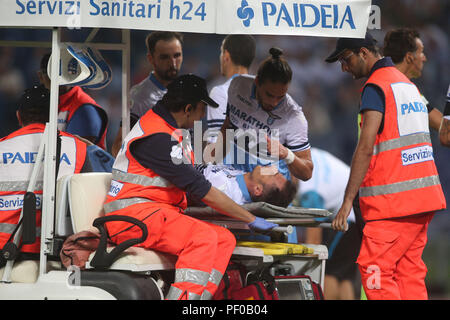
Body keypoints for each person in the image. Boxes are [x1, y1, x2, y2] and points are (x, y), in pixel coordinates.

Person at [103, 74, 278, 300]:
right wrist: (249, 218)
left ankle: (200, 300)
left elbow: (199, 174)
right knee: (202, 238)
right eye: (202, 110)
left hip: (155, 213)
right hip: (130, 216)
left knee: (224, 239)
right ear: (188, 108)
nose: (203, 116)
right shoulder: (156, 137)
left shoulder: (173, 131)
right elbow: (200, 188)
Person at [325, 33, 446, 300]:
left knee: (374, 269)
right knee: (409, 275)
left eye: (346, 59)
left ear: (364, 53)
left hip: (391, 205)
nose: (344, 67)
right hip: (422, 200)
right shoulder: (408, 86)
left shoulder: (376, 86)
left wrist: (347, 202)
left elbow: (366, 146)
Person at [0, 85, 91, 263]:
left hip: (5, 250)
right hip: (58, 252)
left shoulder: (2, 147)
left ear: (19, 116)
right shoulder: (77, 148)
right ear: (53, 116)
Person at [214, 47, 313, 182]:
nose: (274, 102)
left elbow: (307, 173)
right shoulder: (238, 85)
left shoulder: (294, 116)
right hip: (235, 171)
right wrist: (211, 164)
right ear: (257, 82)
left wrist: (287, 154)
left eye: (280, 97)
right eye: (269, 95)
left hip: (268, 181)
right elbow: (227, 128)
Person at [295, 147, 359, 300]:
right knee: (344, 275)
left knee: (327, 272)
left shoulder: (308, 190)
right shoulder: (306, 154)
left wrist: (303, 268)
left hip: (346, 217)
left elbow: (314, 242)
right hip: (359, 212)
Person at [111, 31, 183, 156]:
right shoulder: (139, 97)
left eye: (177, 55)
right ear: (151, 59)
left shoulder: (186, 89)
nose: (173, 63)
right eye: (164, 57)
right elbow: (119, 146)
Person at [38, 54, 109, 150]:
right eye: (52, 74)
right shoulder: (43, 102)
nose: (58, 80)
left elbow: (77, 154)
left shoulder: (84, 109)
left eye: (61, 73)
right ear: (40, 77)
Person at [383, 28, 445, 134]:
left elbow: (440, 123)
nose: (424, 58)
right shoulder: (386, 87)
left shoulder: (410, 89)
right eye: (421, 52)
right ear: (409, 57)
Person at [206, 34, 256, 144]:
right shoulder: (266, 90)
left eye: (221, 51)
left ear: (226, 56)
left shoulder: (220, 92)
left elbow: (215, 149)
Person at [192, 163, 297, 207]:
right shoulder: (240, 174)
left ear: (257, 189)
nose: (273, 168)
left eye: (273, 175)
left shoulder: (228, 193)